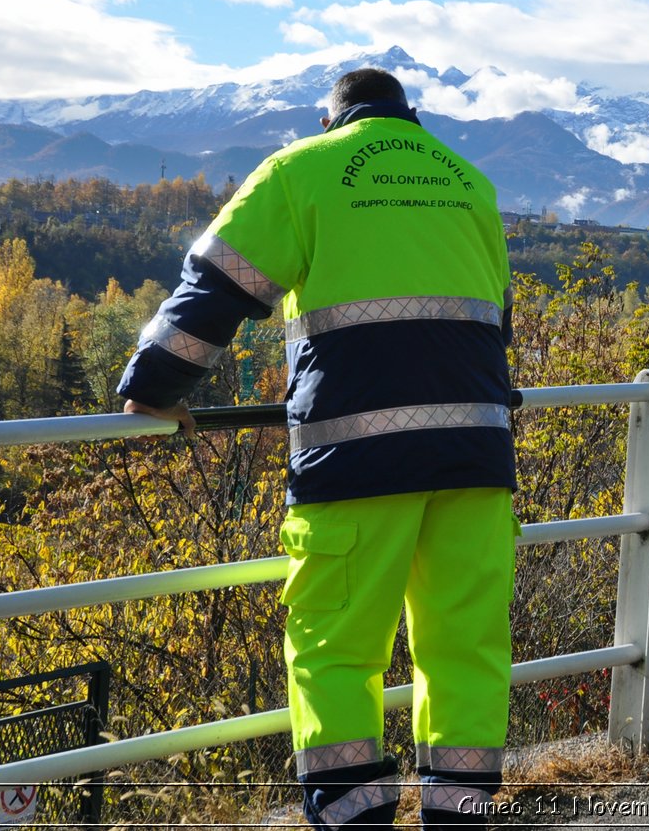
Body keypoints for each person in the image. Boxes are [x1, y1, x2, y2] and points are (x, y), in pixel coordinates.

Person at [118, 66, 517, 828]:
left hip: (356, 456)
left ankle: (355, 815)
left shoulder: (301, 171)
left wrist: (153, 385)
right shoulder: (470, 182)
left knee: (335, 651)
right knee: (465, 650)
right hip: (476, 453)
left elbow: (218, 285)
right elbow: (496, 328)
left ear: (333, 118)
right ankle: (462, 815)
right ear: (408, 116)